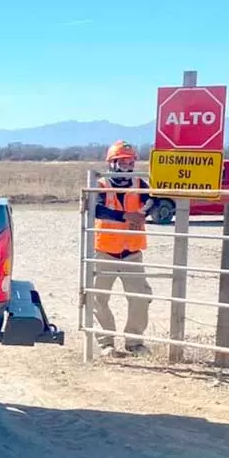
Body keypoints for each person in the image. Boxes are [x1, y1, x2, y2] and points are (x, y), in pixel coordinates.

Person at [91, 140, 156, 357]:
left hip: (132, 252)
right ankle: (106, 343)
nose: (127, 166)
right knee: (98, 299)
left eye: (130, 162)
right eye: (122, 162)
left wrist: (143, 214)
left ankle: (135, 342)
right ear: (112, 163)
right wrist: (126, 216)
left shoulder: (139, 183)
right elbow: (97, 209)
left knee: (140, 297)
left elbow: (154, 199)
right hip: (104, 251)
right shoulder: (101, 184)